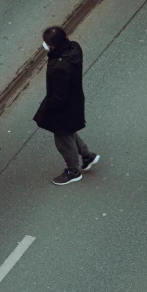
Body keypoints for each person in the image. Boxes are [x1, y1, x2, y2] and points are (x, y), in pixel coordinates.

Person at [33, 26, 100, 185]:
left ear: (53, 46)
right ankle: (86, 155)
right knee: (69, 130)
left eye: (47, 43)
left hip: (63, 108)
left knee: (62, 138)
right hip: (74, 101)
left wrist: (48, 107)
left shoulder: (59, 66)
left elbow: (59, 96)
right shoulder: (74, 48)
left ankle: (73, 171)